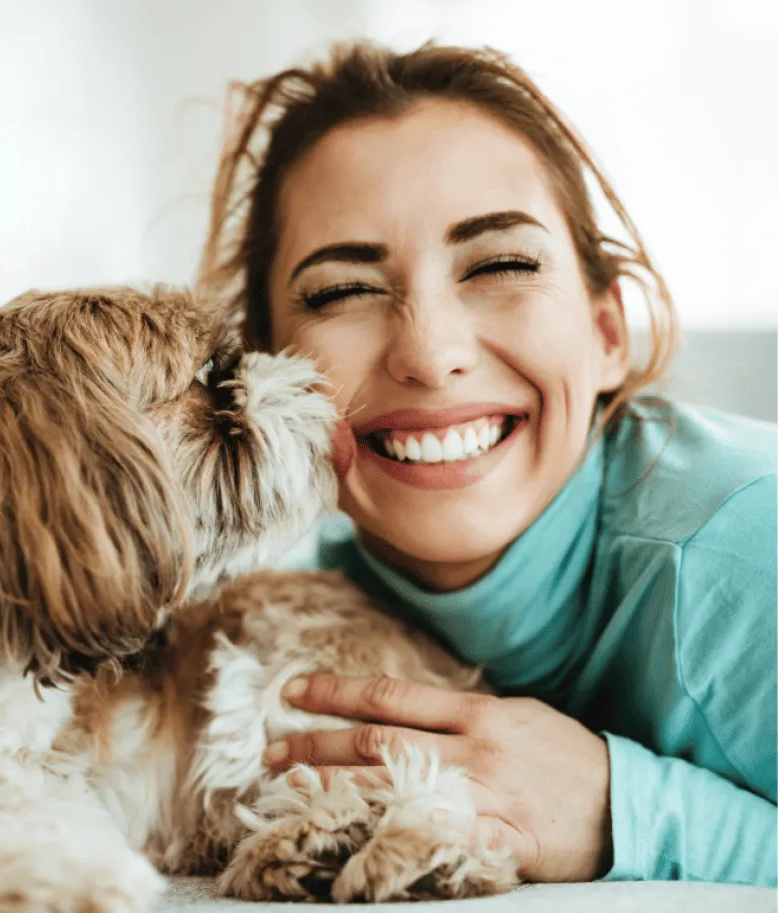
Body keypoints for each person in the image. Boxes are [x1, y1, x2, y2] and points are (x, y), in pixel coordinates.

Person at [197, 40, 776, 886]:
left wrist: (630, 811)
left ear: (609, 333)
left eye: (502, 264)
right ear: (262, 372)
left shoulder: (746, 559)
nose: (429, 354)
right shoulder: (284, 625)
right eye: (341, 292)